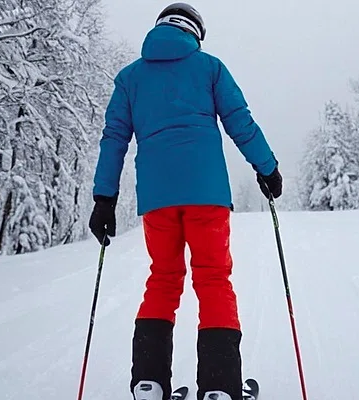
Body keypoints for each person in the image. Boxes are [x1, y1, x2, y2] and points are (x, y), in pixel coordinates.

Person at [88, 3, 282, 400]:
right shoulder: (210, 67)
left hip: (157, 199)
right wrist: (267, 168)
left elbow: (114, 139)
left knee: (163, 279)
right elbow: (239, 122)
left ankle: (149, 383)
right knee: (213, 279)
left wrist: (104, 198)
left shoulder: (130, 79)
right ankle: (219, 388)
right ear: (195, 32)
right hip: (206, 196)